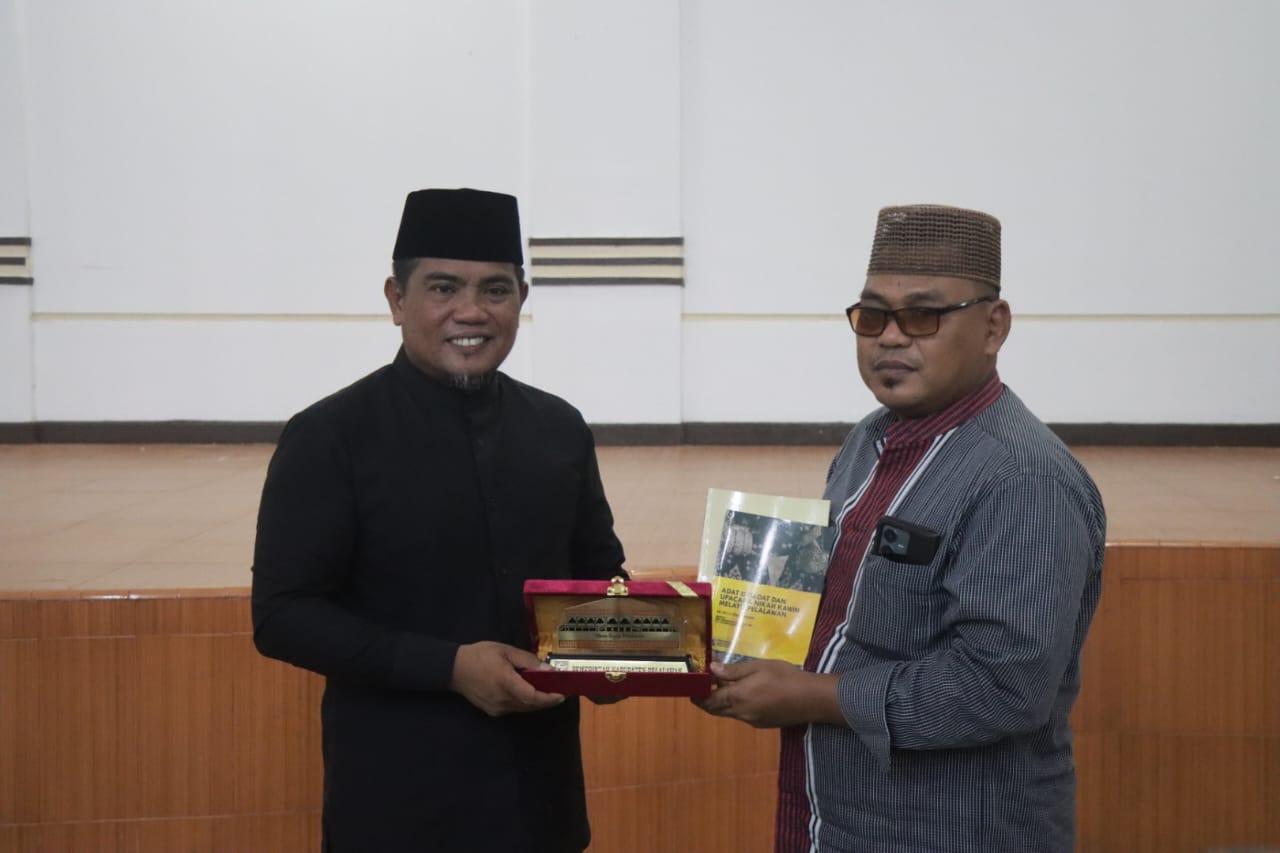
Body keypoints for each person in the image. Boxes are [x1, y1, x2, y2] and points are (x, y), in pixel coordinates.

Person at [694, 204, 1106, 852]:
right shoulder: (869, 439)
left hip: (952, 831)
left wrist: (813, 697)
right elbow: (840, 619)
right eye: (872, 315)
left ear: (993, 326)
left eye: (923, 316)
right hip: (829, 820)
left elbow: (1002, 687)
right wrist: (729, 655)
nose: (890, 337)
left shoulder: (1023, 480)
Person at [251, 188, 627, 853]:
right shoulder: (330, 436)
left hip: (540, 808)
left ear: (522, 298)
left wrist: (644, 656)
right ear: (397, 299)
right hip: (396, 810)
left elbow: (600, 579)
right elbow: (282, 614)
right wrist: (450, 666)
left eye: (496, 290)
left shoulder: (559, 429)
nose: (471, 311)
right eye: (444, 288)